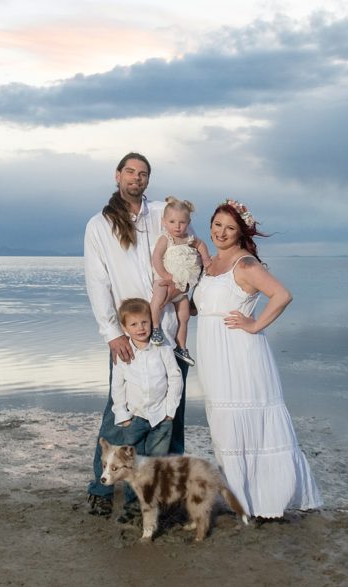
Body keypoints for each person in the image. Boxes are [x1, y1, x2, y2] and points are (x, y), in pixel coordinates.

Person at [192, 199, 322, 519]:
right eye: (217, 224)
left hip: (241, 356)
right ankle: (244, 501)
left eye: (230, 228)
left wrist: (255, 324)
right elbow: (205, 307)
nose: (221, 232)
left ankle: (265, 501)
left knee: (247, 423)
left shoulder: (246, 265)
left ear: (240, 232)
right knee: (225, 428)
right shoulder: (210, 265)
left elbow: (282, 295)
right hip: (213, 356)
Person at [83, 152, 190, 516]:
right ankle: (101, 488)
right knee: (120, 416)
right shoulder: (99, 225)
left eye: (143, 173)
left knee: (169, 418)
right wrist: (111, 333)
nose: (137, 178)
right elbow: (97, 282)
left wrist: (185, 290)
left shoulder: (161, 213)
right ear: (117, 176)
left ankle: (165, 494)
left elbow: (186, 249)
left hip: (168, 333)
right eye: (130, 171)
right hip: (129, 337)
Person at [111, 298, 183, 459]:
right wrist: (123, 415)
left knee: (155, 465)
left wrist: (170, 411)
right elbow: (117, 385)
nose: (140, 328)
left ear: (152, 322)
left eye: (144, 322)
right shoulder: (123, 352)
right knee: (131, 464)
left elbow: (175, 376)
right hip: (134, 417)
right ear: (124, 328)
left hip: (161, 417)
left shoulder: (162, 346)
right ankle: (133, 486)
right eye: (134, 324)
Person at [148, 196, 211, 366]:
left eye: (182, 222)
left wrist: (206, 259)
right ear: (164, 222)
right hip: (164, 280)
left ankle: (181, 346)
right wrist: (165, 275)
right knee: (157, 299)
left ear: (188, 222)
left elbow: (202, 245)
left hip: (181, 288)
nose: (177, 226)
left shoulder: (190, 239)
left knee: (184, 316)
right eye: (172, 221)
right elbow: (156, 258)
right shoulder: (165, 239)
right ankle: (155, 328)